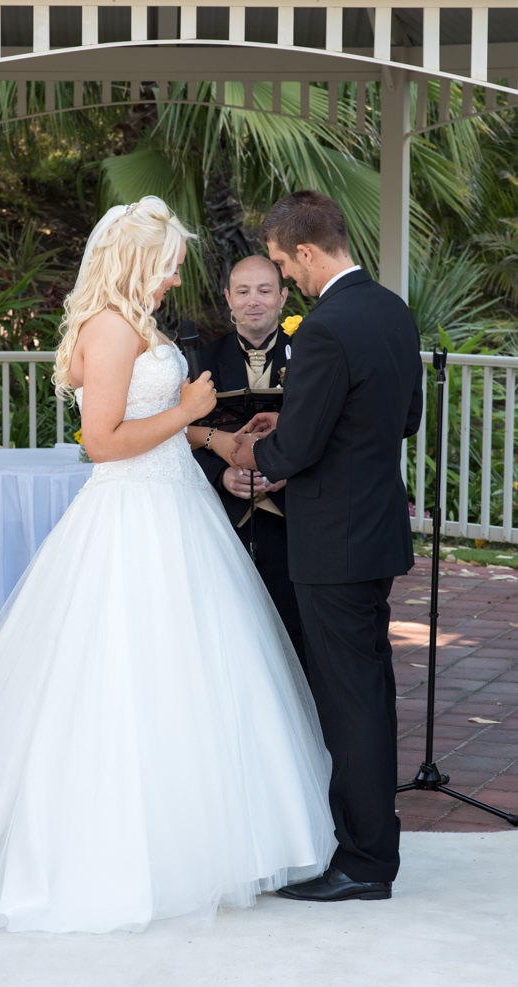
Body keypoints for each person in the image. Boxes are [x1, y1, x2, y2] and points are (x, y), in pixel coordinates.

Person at [0, 197, 335, 934]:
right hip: (133, 518)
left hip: (174, 505)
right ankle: (130, 851)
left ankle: (212, 838)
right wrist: (188, 410)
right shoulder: (109, 328)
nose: (175, 279)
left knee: (197, 674)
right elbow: (102, 441)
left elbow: (154, 425)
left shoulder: (135, 324)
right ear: (139, 261)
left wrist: (212, 436)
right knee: (128, 675)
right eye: (169, 263)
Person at [233, 190, 423, 902]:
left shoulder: (322, 329)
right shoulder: (390, 311)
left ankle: (364, 863)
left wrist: (253, 455)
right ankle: (371, 848)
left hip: (332, 543)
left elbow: (301, 448)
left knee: (349, 704)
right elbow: (401, 416)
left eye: (283, 263)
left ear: (306, 252)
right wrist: (289, 415)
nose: (289, 276)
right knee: (368, 691)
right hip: (375, 530)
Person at [195, 255, 307, 667]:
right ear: (228, 298)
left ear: (282, 297)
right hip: (223, 517)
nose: (253, 301)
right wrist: (220, 474)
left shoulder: (311, 355)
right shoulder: (200, 361)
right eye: (243, 291)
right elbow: (179, 437)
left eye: (264, 290)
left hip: (293, 518)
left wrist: (286, 473)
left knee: (295, 630)